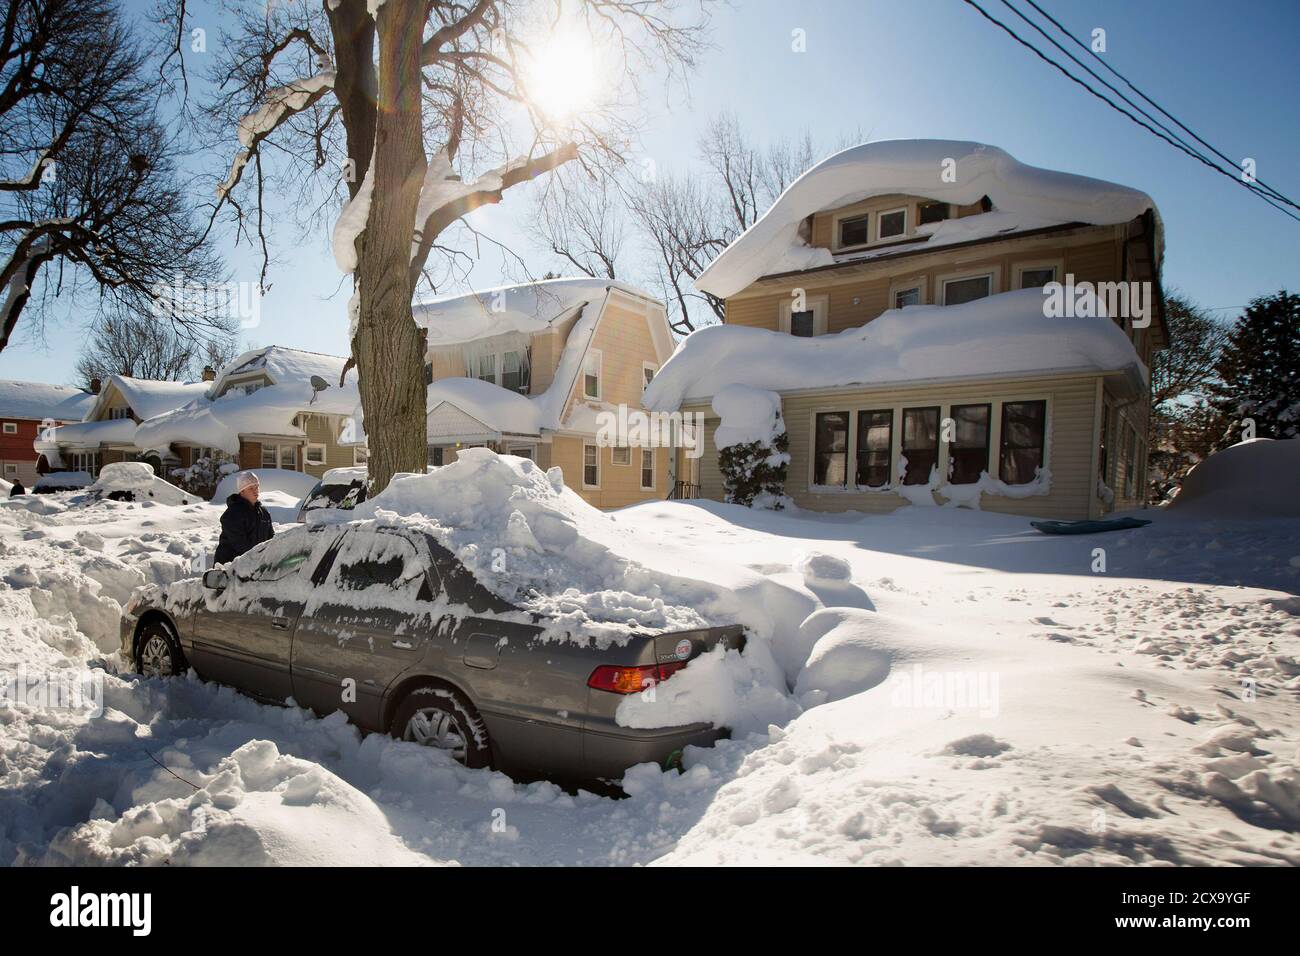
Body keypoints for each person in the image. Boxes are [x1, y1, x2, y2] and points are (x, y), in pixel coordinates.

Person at [214, 471, 274, 564]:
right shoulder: (232, 514)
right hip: (230, 569)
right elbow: (240, 545)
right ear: (242, 491)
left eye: (257, 487)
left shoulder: (264, 513)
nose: (256, 491)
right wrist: (259, 559)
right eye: (251, 488)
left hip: (256, 568)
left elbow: (271, 540)